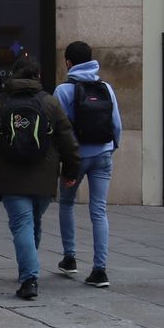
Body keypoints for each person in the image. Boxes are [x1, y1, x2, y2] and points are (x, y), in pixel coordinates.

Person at [0, 54, 80, 301]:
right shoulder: (50, 103)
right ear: (38, 77)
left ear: (12, 74)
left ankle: (29, 277)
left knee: (23, 223)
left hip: (9, 175)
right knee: (33, 221)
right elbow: (67, 140)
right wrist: (71, 172)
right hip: (43, 176)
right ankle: (29, 269)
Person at [54, 40, 122, 289]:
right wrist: (111, 148)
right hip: (103, 153)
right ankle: (100, 269)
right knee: (99, 210)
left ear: (68, 62)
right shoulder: (106, 87)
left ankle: (69, 257)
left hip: (77, 157)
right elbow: (116, 124)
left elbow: (59, 130)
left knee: (67, 202)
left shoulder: (63, 90)